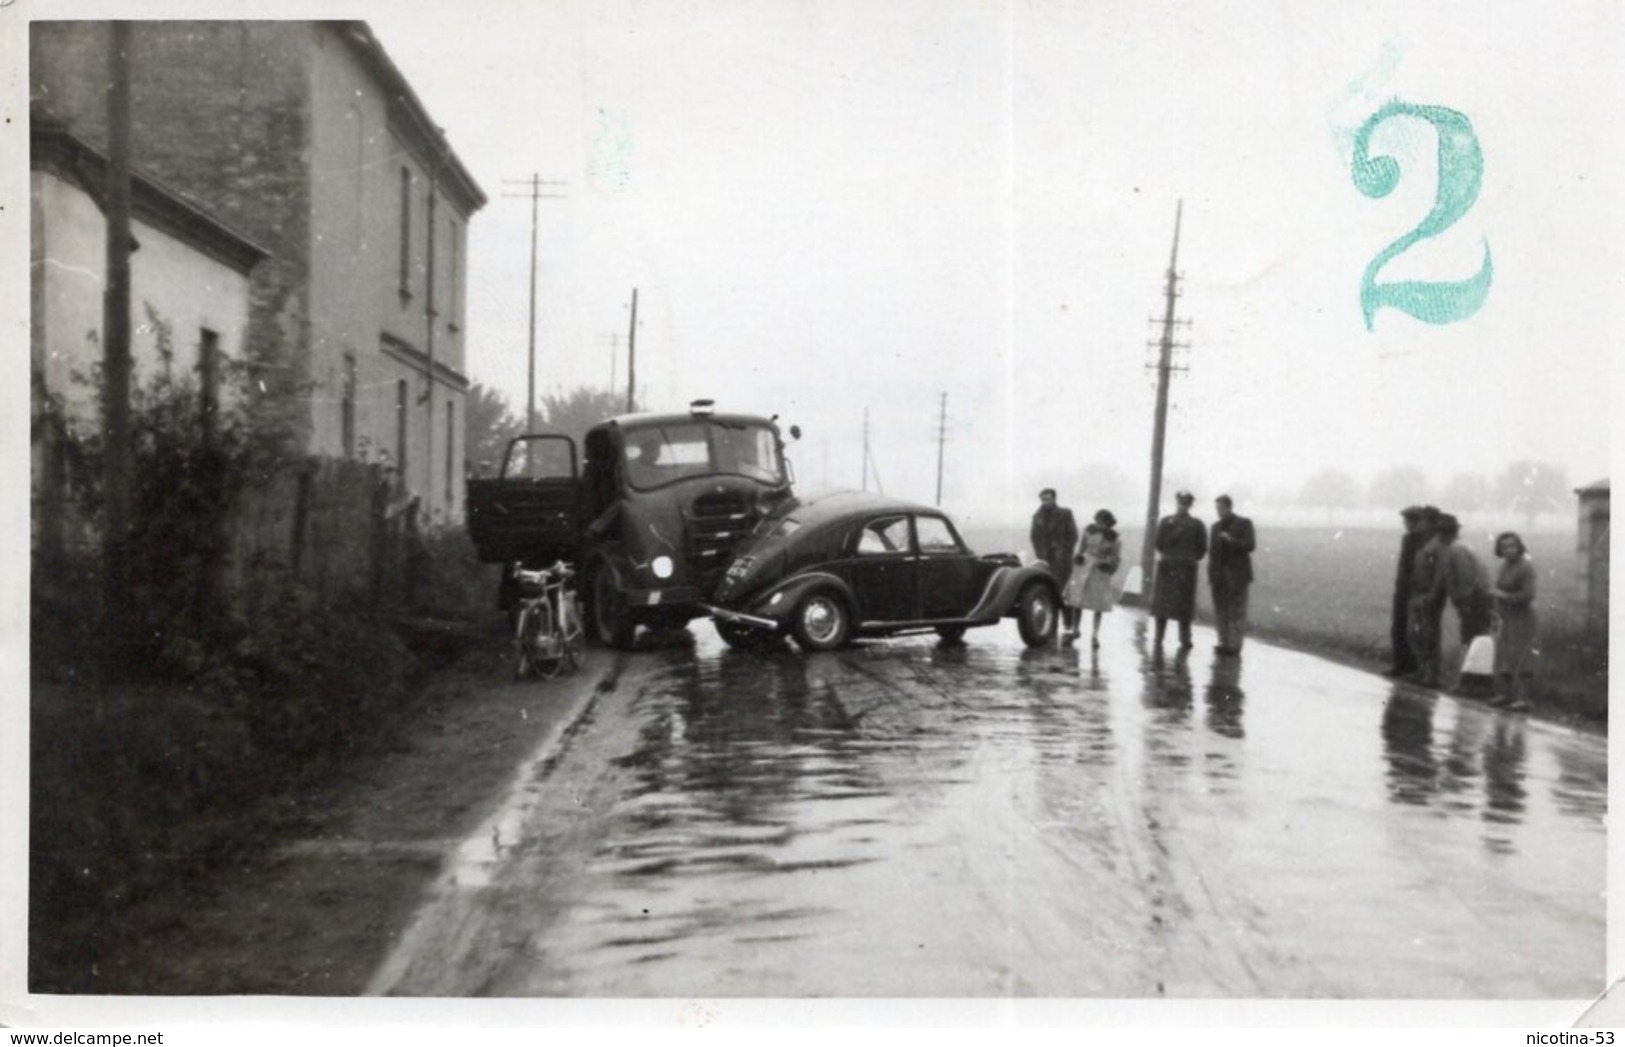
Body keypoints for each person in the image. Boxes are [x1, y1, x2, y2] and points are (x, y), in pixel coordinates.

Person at [1151, 490, 1207, 649]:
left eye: (1186, 504)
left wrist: (1188, 558)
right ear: (1177, 503)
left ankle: (1185, 638)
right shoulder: (1166, 522)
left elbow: (1202, 549)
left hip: (1186, 569)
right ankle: (1158, 637)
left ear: (1190, 505)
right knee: (1162, 605)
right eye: (1181, 503)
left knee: (1184, 605)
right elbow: (1159, 544)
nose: (1183, 506)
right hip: (1168, 567)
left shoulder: (1197, 524)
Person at [1489, 531, 1537, 711]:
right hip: (1505, 617)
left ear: (1519, 547)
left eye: (1512, 546)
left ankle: (1523, 698)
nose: (1509, 550)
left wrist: (1505, 596)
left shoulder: (1526, 567)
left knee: (1522, 656)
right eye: (1504, 547)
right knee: (1504, 655)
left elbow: (1529, 595)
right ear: (1499, 549)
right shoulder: (1503, 567)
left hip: (1522, 617)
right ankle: (1505, 694)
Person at [1061, 509, 1121, 647]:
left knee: (1098, 605)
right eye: (1097, 521)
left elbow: (1116, 558)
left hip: (1100, 570)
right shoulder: (1089, 531)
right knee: (1077, 600)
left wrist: (1109, 567)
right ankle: (1075, 630)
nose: (1099, 524)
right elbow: (1081, 549)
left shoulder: (1114, 538)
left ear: (1108, 523)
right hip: (1083, 567)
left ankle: (1095, 635)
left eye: (1103, 522)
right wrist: (1078, 558)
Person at [1433, 514, 1493, 648]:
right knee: (1475, 637)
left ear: (1444, 533)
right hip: (1476, 599)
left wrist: (1464, 603)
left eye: (1438, 532)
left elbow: (1465, 577)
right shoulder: (1458, 547)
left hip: (1474, 601)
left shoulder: (1456, 549)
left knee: (1473, 638)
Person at [1208, 494, 1256, 656]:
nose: (1219, 512)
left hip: (1237, 574)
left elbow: (1250, 545)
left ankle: (1235, 645)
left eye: (1221, 508)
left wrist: (1231, 540)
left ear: (1229, 507)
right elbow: (1212, 552)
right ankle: (1223, 641)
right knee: (1221, 609)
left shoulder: (1244, 524)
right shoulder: (1215, 527)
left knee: (1237, 610)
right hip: (1219, 575)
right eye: (1217, 509)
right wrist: (1212, 574)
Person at [1386, 506, 1430, 678]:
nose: (1406, 525)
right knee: (1399, 627)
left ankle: (1411, 666)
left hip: (1415, 589)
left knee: (1412, 629)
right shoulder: (1408, 539)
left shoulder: (1423, 540)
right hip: (1403, 587)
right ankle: (1400, 664)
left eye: (1409, 521)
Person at [1406, 506, 1445, 688]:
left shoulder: (1438, 543)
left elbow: (1439, 572)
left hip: (1429, 595)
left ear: (1431, 523)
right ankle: (1422, 671)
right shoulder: (1423, 541)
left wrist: (1432, 594)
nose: (1419, 523)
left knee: (1429, 635)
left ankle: (1431, 675)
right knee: (1416, 634)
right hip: (1418, 592)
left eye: (1423, 520)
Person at [1030, 488, 1080, 591]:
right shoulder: (1037, 516)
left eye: (1048, 499)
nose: (1046, 502)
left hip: (1062, 556)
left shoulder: (1065, 513)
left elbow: (1073, 534)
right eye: (1043, 499)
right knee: (1047, 584)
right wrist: (1039, 553)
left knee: (1063, 584)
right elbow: (1034, 536)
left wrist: (1066, 550)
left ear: (1054, 499)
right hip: (1044, 556)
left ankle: (1063, 605)